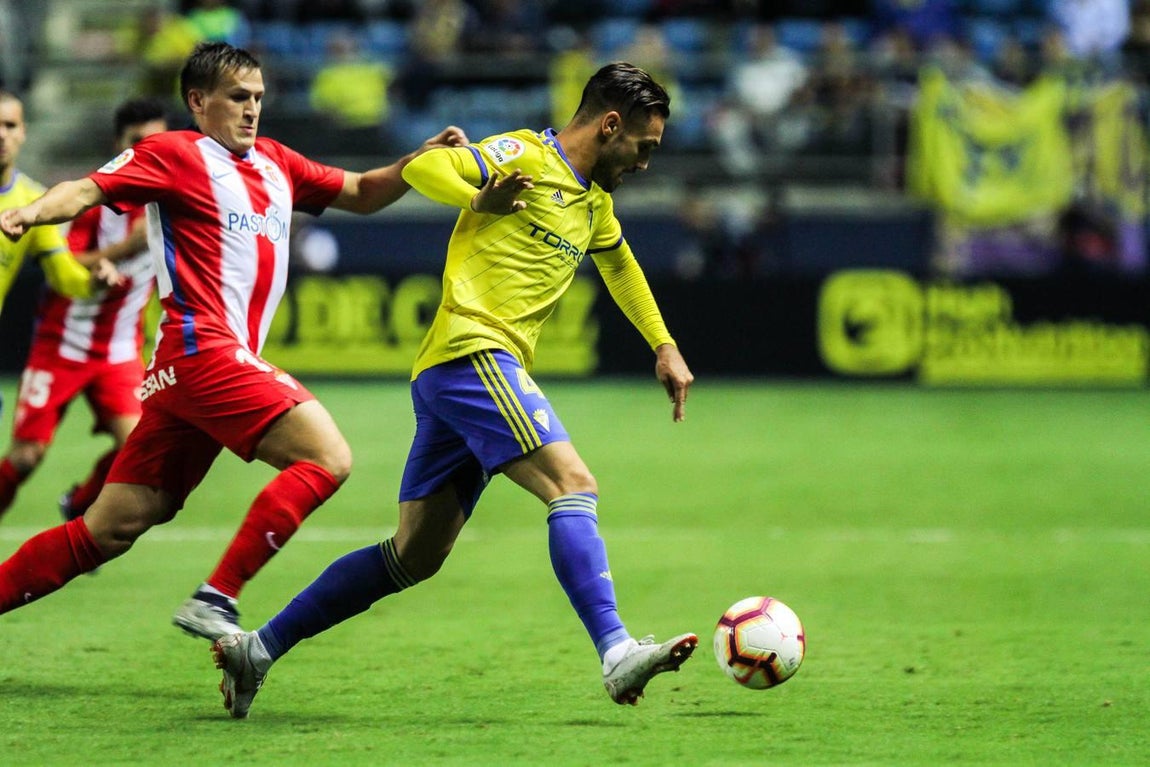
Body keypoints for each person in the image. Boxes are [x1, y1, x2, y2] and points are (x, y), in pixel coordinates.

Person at [211, 62, 698, 718]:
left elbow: (618, 263)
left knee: (413, 554)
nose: (646, 162)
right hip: (473, 354)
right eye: (646, 147)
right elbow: (426, 168)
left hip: (457, 373)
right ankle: (615, 651)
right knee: (572, 483)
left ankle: (258, 649)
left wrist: (663, 343)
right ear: (612, 125)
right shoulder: (523, 155)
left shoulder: (593, 202)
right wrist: (478, 197)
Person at [0, 43, 466, 640]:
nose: (252, 110)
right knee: (327, 457)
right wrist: (31, 213)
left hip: (191, 371)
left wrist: (417, 161)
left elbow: (362, 191)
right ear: (198, 102)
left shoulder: (277, 162)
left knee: (111, 527)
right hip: (204, 351)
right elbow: (88, 190)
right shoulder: (173, 154)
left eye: (259, 98)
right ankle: (217, 596)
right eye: (238, 98)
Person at [0, 97, 169, 525]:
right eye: (137, 143)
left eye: (158, 142)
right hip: (63, 343)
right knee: (25, 457)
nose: (149, 153)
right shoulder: (87, 200)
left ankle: (79, 504)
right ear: (120, 146)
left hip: (118, 351)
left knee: (137, 447)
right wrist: (119, 251)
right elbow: (64, 263)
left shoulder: (173, 203)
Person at [0, 90, 120, 417]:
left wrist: (92, 283)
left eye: (10, 125)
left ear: (23, 131)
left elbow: (62, 273)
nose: (2, 134)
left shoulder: (33, 202)